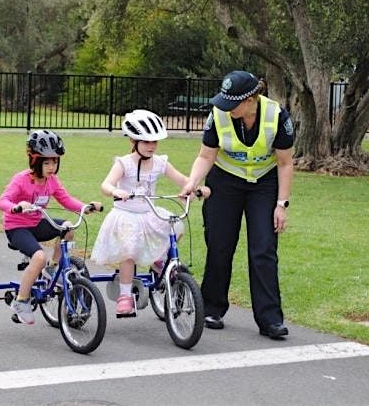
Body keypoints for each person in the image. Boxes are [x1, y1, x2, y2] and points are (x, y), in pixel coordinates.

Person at [180, 70, 294, 339]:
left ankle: (270, 320)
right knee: (219, 244)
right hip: (225, 180)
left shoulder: (277, 116)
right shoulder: (219, 115)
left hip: (264, 184)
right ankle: (212, 308)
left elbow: (285, 163)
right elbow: (206, 156)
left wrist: (281, 204)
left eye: (232, 103)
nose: (226, 108)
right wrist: (192, 182)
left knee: (263, 249)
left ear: (250, 100)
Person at [90, 109, 210, 317]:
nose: (151, 146)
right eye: (146, 142)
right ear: (133, 140)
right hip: (126, 215)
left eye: (154, 142)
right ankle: (125, 296)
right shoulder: (124, 163)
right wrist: (115, 191)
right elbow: (106, 184)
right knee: (128, 252)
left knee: (176, 227)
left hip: (149, 213)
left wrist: (195, 188)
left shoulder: (160, 163)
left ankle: (159, 261)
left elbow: (183, 180)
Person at [0, 129, 103, 325]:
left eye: (55, 162)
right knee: (39, 257)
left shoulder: (52, 181)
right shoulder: (21, 179)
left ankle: (52, 269)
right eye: (46, 163)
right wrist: (16, 207)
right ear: (34, 161)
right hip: (17, 227)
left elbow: (66, 199)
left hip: (37, 223)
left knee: (68, 228)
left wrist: (85, 207)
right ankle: (21, 301)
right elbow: (2, 201)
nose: (51, 167)